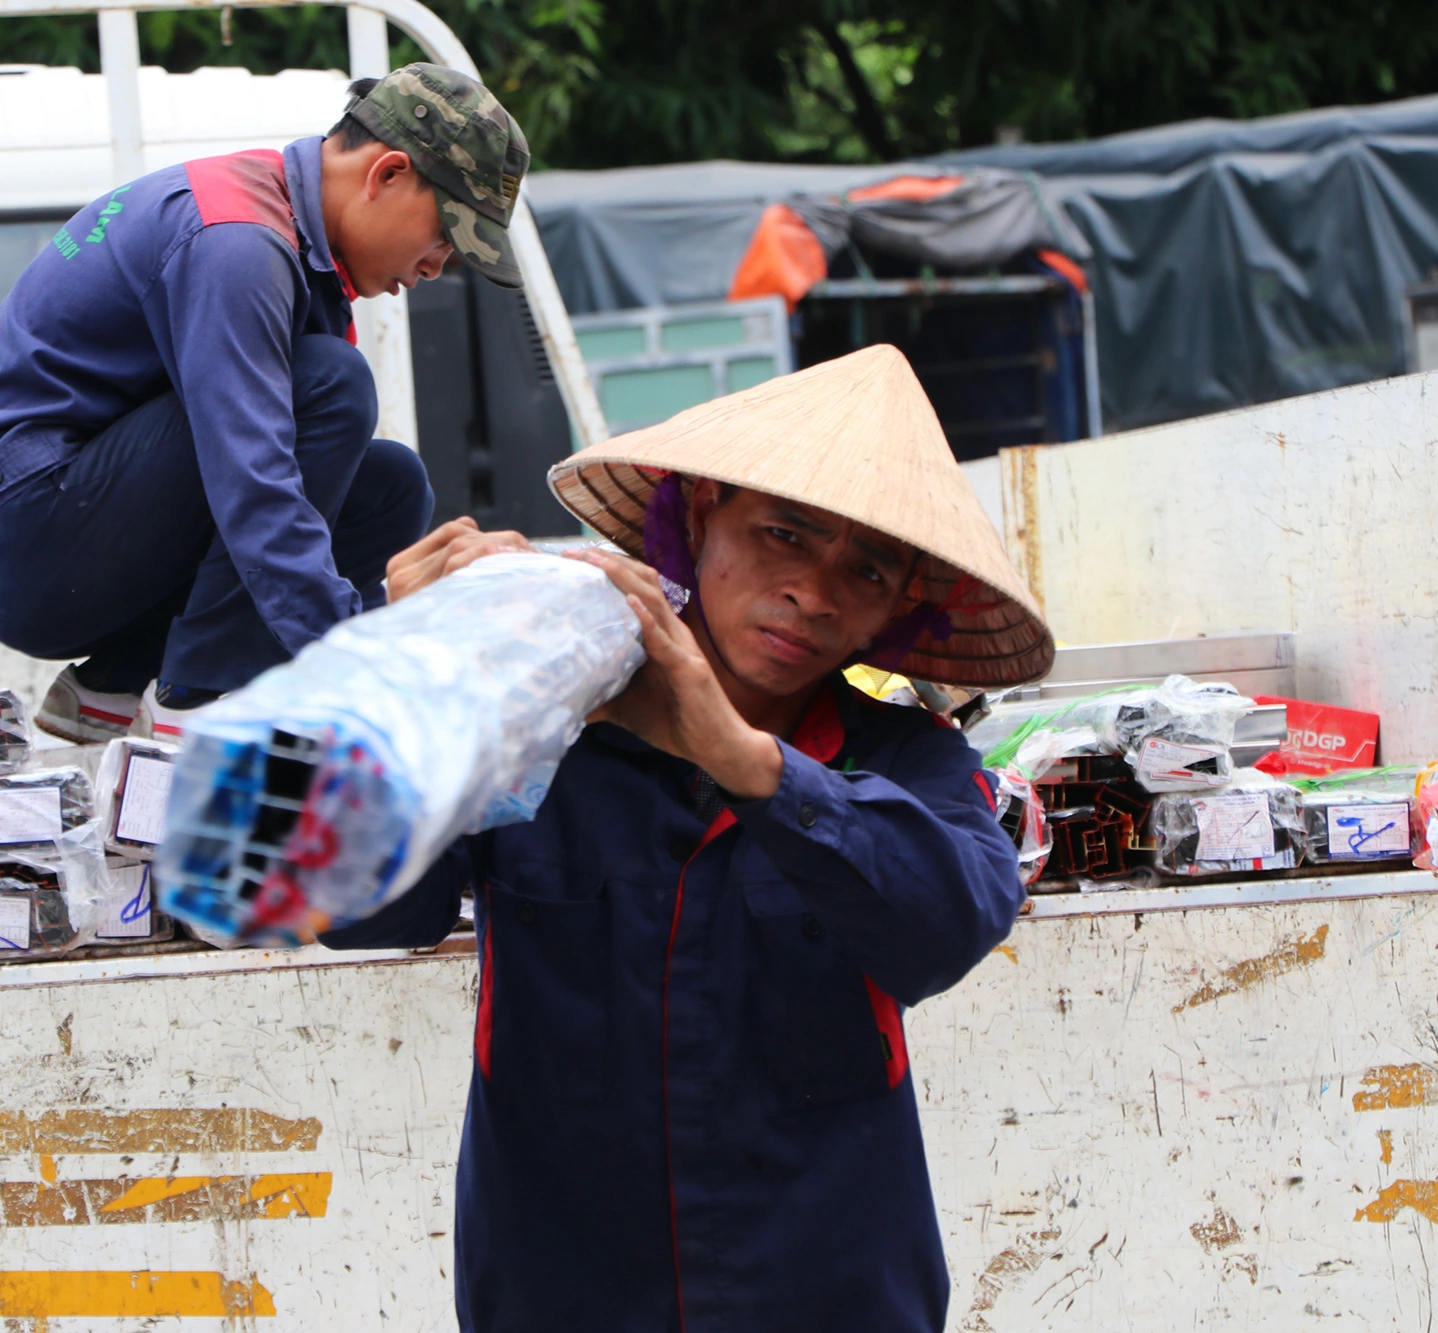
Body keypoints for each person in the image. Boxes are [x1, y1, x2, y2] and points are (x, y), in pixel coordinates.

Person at [326, 344, 1057, 1332]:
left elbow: (945, 925)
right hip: (561, 1296)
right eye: (784, 534)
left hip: (827, 1298)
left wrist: (748, 761)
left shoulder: (905, 759)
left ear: (895, 609)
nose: (813, 589)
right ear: (700, 513)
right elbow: (357, 910)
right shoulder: (541, 724)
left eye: (867, 568)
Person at [0, 65, 530, 741]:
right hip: (17, 538)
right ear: (386, 174)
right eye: (444, 236)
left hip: (68, 532)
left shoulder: (295, 250)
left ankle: (119, 678)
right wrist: (355, 661)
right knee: (332, 384)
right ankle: (200, 697)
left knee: (390, 486)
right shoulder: (237, 240)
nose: (434, 267)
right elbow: (253, 480)